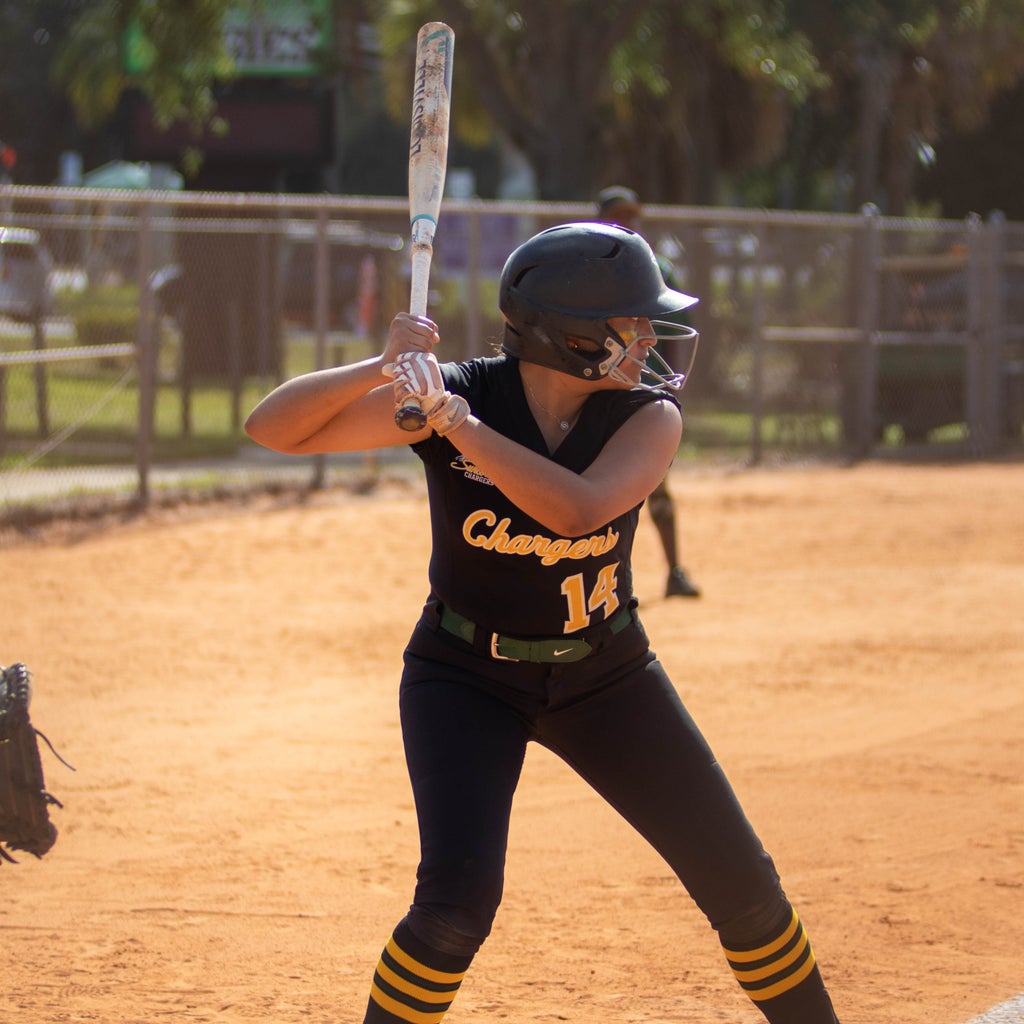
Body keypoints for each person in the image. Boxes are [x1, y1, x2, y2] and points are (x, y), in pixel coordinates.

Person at [244, 222, 842, 1024]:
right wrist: (383, 368)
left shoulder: (646, 417)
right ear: (574, 337)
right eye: (631, 323)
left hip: (607, 675)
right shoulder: (463, 394)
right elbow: (272, 429)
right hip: (464, 676)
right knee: (453, 910)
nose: (647, 338)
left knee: (746, 891)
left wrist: (453, 424)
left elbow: (578, 509)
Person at [596, 185, 700, 598]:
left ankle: (674, 571)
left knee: (655, 482)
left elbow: (673, 330)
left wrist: (672, 381)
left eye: (633, 216)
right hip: (601, 384)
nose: (628, 223)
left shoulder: (657, 268)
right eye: (619, 216)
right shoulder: (588, 269)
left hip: (645, 386)